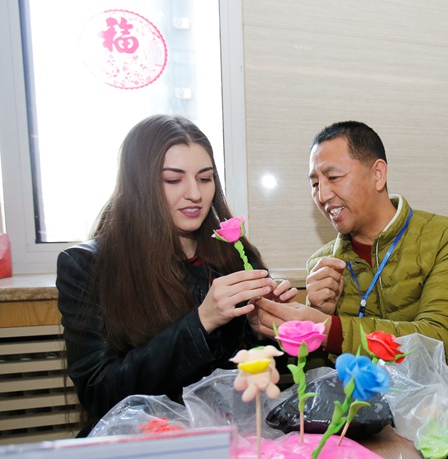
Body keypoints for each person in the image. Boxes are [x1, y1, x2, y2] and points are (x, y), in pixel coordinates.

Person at [56, 114, 296, 434]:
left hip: (228, 439)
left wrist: (264, 331)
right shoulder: (88, 266)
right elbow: (99, 393)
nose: (194, 194)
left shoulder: (233, 254)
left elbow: (263, 388)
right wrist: (201, 322)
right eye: (173, 180)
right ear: (140, 184)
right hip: (143, 446)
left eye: (205, 178)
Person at [253, 121, 448, 386]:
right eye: (315, 184)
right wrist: (313, 314)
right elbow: (314, 381)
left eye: (333, 177)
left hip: (442, 410)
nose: (323, 195)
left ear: (377, 175)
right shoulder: (322, 263)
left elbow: (440, 341)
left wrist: (328, 328)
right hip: (360, 415)